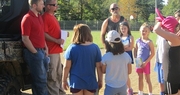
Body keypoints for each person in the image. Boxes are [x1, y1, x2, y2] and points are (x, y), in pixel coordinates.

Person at [62, 24, 102, 95]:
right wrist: (100, 80)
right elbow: (99, 67)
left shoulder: (71, 48)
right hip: (90, 81)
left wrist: (64, 80)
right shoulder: (95, 48)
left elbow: (66, 66)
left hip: (76, 82)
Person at [21, 0, 49, 95]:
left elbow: (41, 34)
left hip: (42, 51)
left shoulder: (39, 17)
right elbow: (25, 39)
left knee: (42, 80)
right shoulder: (27, 18)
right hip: (34, 53)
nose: (43, 6)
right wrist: (36, 53)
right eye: (41, 4)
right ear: (34, 5)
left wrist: (45, 47)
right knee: (40, 81)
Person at [154, 8, 180, 95]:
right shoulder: (176, 37)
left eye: (164, 28)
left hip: (171, 76)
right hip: (176, 73)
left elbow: (156, 29)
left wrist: (161, 21)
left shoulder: (174, 38)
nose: (163, 30)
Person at [42, 0, 65, 95]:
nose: (57, 6)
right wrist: (56, 40)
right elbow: (43, 33)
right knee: (52, 77)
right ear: (48, 6)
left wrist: (63, 35)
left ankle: (60, 93)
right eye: (54, 5)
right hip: (51, 52)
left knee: (59, 75)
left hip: (56, 51)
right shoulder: (45, 17)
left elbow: (53, 31)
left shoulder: (53, 17)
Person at [101, 30, 132, 95]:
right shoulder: (126, 55)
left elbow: (103, 70)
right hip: (123, 85)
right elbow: (129, 71)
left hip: (110, 86)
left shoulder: (106, 56)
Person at [134, 23, 155, 95]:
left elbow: (152, 53)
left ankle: (150, 93)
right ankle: (140, 92)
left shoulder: (149, 42)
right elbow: (135, 50)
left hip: (146, 62)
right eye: (143, 31)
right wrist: (136, 59)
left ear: (148, 32)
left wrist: (146, 62)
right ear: (140, 31)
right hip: (139, 61)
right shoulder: (137, 41)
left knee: (147, 79)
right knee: (140, 78)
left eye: (146, 31)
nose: (144, 32)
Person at [119, 21, 134, 95]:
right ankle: (122, 88)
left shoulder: (130, 37)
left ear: (128, 28)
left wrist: (122, 48)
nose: (123, 30)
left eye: (124, 28)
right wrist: (125, 47)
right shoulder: (119, 37)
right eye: (122, 28)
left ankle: (129, 88)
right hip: (120, 57)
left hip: (127, 57)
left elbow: (130, 48)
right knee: (121, 73)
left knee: (126, 73)